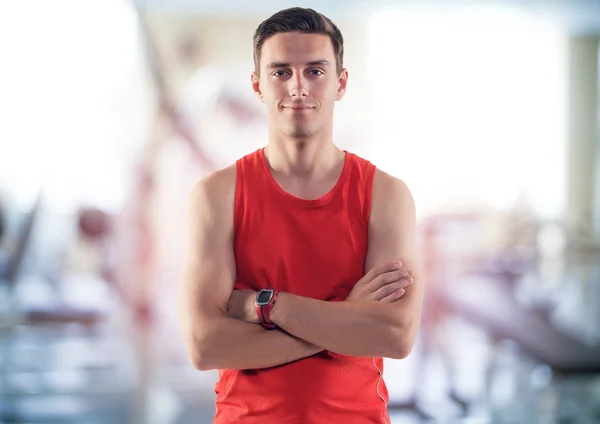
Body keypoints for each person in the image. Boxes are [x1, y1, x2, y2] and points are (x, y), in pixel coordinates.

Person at [178, 7, 424, 423]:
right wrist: (346, 316)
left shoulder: (386, 195)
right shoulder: (217, 195)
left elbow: (396, 336)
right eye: (280, 72)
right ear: (257, 85)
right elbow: (205, 346)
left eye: (314, 71)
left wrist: (269, 307)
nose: (297, 87)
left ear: (340, 83)